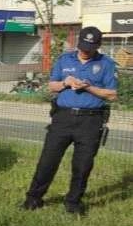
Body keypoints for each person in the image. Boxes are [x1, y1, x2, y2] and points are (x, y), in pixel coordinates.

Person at [23, 27, 118, 215]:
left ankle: (73, 202)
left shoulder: (106, 64)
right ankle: (33, 199)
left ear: (98, 45)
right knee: (48, 161)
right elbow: (52, 85)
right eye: (83, 46)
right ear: (78, 43)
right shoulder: (65, 59)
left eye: (90, 47)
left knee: (82, 165)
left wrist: (89, 88)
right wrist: (66, 83)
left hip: (90, 121)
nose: (85, 50)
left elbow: (112, 94)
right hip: (62, 118)